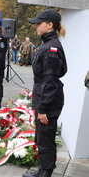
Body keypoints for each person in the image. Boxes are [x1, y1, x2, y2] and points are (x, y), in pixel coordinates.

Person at [22, 9, 67, 177]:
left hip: (48, 101)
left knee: (46, 139)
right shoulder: (47, 44)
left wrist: (43, 109)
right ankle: (42, 170)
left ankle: (45, 173)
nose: (36, 26)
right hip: (44, 97)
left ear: (50, 25)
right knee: (42, 137)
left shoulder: (51, 48)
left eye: (38, 23)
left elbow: (50, 81)